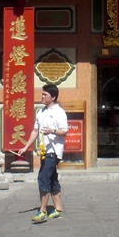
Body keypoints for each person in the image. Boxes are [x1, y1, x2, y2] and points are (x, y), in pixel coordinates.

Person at [18, 84, 69, 224]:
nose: (42, 97)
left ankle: (43, 211)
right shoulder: (40, 112)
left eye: (45, 95)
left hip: (53, 151)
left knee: (43, 178)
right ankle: (58, 209)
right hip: (43, 151)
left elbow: (64, 131)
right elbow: (35, 131)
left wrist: (52, 131)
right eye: (42, 94)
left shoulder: (59, 112)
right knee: (52, 179)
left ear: (53, 97)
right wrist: (26, 147)